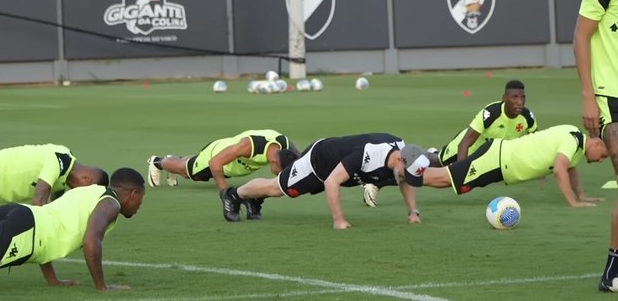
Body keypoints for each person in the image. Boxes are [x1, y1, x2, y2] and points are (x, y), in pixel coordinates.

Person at [362, 80, 538, 207]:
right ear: (504, 98)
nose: (519, 102)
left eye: (522, 98)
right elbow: (465, 144)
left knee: (438, 168)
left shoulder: (527, 117)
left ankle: (433, 154)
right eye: (514, 97)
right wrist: (461, 172)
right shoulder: (490, 113)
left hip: (490, 155)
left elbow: (534, 141)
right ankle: (377, 181)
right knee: (433, 165)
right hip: (464, 148)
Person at [0, 167, 145, 291]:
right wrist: (102, 286)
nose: (139, 206)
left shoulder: (91, 191)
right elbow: (91, 241)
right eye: (141, 199)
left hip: (21, 215)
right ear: (133, 194)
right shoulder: (111, 204)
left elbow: (50, 227)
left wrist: (53, 280)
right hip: (25, 229)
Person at [219, 132, 437, 228]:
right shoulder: (367, 154)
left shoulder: (403, 155)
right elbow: (331, 182)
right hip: (318, 162)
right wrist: (339, 220)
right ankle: (233, 195)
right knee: (276, 188)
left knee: (277, 189)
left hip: (338, 165)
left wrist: (413, 213)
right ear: (399, 159)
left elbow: (405, 180)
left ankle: (255, 200)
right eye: (405, 170)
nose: (405, 175)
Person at [397, 125, 606, 208]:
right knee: (444, 179)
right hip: (497, 159)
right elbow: (560, 170)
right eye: (604, 154)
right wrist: (573, 202)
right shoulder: (573, 140)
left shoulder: (576, 141)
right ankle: (398, 173)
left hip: (500, 163)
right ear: (597, 143)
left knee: (448, 181)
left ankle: (409, 170)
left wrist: (582, 195)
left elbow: (571, 169)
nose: (602, 159)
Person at [572, 0, 618, 292]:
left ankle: (612, 271)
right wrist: (588, 96)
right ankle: (614, 267)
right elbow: (581, 35)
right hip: (609, 98)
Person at [147, 129, 298, 219]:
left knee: (190, 163)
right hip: (216, 156)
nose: (280, 175)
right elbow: (215, 163)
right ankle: (158, 162)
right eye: (280, 172)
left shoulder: (285, 145)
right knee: (187, 171)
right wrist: (225, 192)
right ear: (274, 163)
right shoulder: (249, 147)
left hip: (232, 160)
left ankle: (173, 161)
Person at [0, 143, 109, 211]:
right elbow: (38, 201)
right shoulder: (58, 161)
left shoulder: (65, 161)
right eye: (85, 192)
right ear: (87, 180)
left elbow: (55, 200)